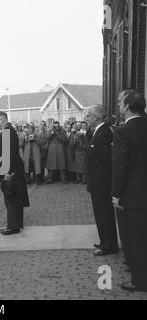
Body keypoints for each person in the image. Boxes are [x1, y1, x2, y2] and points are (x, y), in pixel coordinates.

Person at [112, 89, 147, 292]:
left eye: (120, 103)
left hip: (134, 195)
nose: (118, 106)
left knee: (136, 240)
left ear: (127, 107)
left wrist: (116, 194)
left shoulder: (123, 132)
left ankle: (140, 281)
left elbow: (121, 165)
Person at [85, 105, 118, 257]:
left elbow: (107, 161)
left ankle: (108, 245)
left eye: (89, 116)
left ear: (97, 117)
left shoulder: (103, 133)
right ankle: (106, 241)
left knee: (104, 214)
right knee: (101, 214)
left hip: (102, 183)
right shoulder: (98, 131)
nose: (87, 119)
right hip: (98, 182)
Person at [0, 112, 29, 235]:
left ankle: (13, 227)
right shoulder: (6, 131)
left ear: (2, 119)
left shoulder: (7, 131)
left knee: (11, 199)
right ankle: (16, 224)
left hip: (11, 171)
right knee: (14, 198)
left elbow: (8, 154)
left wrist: (7, 173)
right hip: (13, 169)